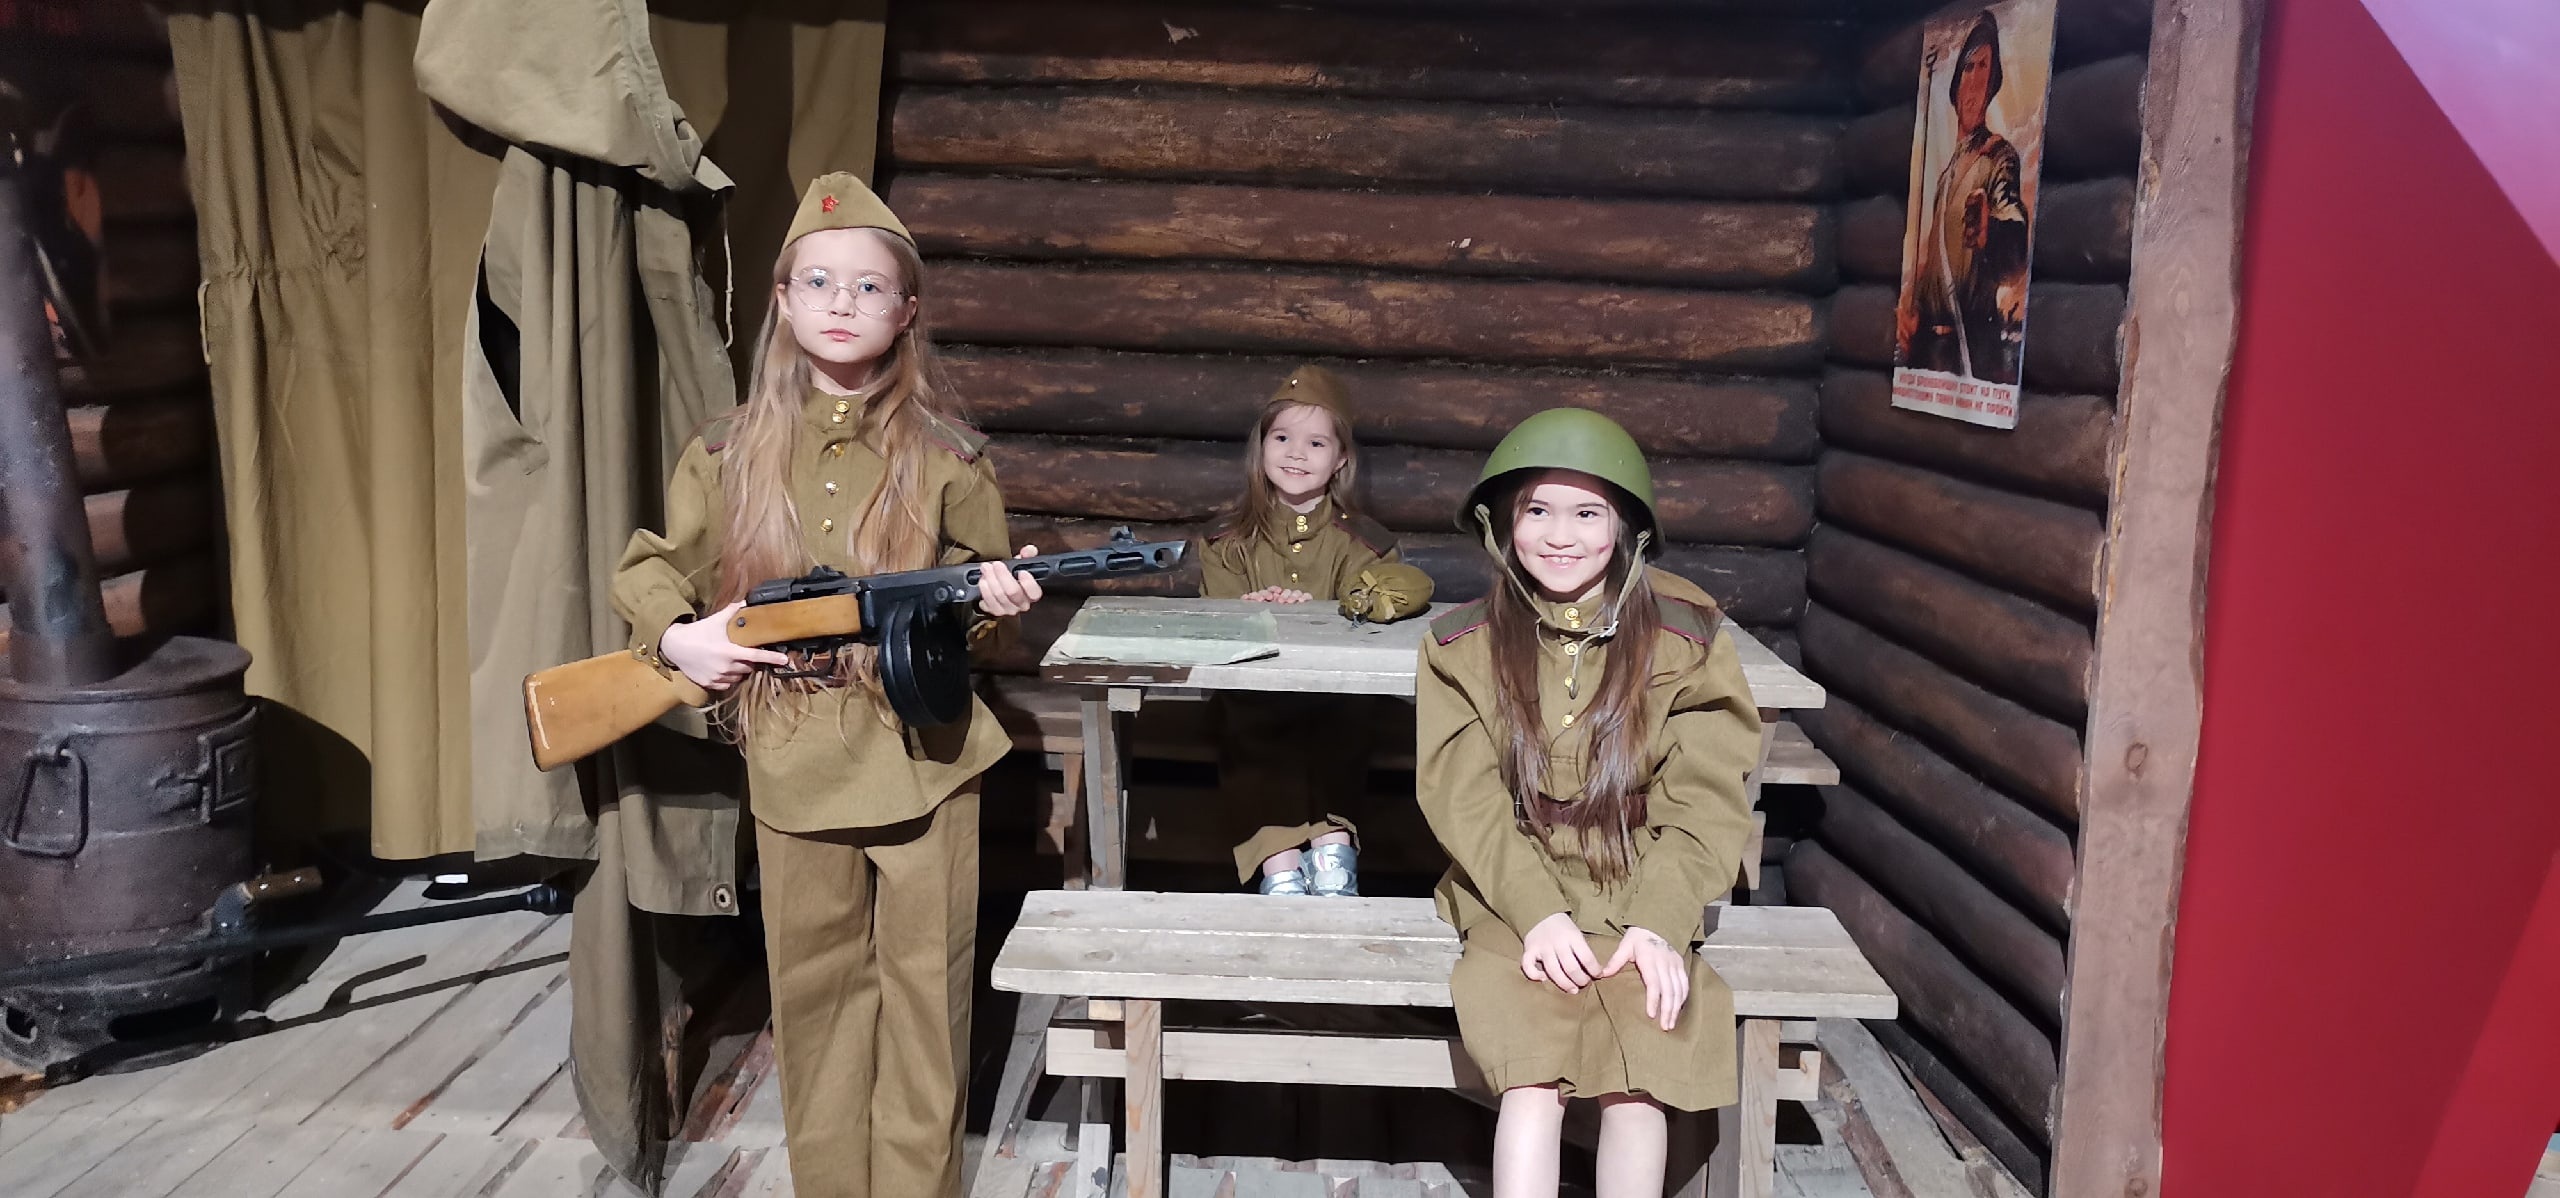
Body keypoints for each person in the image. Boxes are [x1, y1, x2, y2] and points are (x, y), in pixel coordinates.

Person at [611, 172, 1043, 1198]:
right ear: (783, 299)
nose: (842, 302)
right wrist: (680, 641)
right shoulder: (727, 453)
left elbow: (973, 608)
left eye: (869, 286)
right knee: (815, 1003)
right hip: (794, 755)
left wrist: (993, 599)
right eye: (819, 281)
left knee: (927, 1005)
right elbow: (652, 569)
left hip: (924, 756)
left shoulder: (948, 457)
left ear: (907, 312)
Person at [1415, 409, 1762, 1198]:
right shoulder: (1460, 648)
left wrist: (1659, 922)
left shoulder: (1687, 639)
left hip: (1642, 880)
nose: (1559, 536)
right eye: (1537, 510)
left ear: (1627, 529)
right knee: (1531, 1077)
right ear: (1503, 524)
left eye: (1587, 514)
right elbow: (1465, 801)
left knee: (1638, 1079)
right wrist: (1536, 914)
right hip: (1513, 886)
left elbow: (1704, 801)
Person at [1198, 365, 1434, 896]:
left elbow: (1387, 596)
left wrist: (1331, 612)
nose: (1296, 454)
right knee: (1254, 727)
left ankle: (1333, 848)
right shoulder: (1225, 542)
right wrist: (1247, 611)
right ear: (1261, 447)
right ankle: (1279, 860)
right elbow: (1216, 622)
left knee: (1338, 726)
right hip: (1252, 703)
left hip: (1337, 704)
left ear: (1341, 458)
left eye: (1316, 443)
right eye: (1281, 438)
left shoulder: (1364, 543)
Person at [1898, 10, 2033, 385]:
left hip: (1968, 349)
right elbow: (1932, 259)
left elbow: (2014, 237)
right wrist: (1911, 304)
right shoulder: (1947, 175)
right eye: (1969, 68)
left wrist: (1993, 231)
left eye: (1984, 68)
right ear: (1956, 87)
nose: (1975, 81)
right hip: (1927, 349)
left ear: (1992, 84)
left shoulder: (1999, 158)